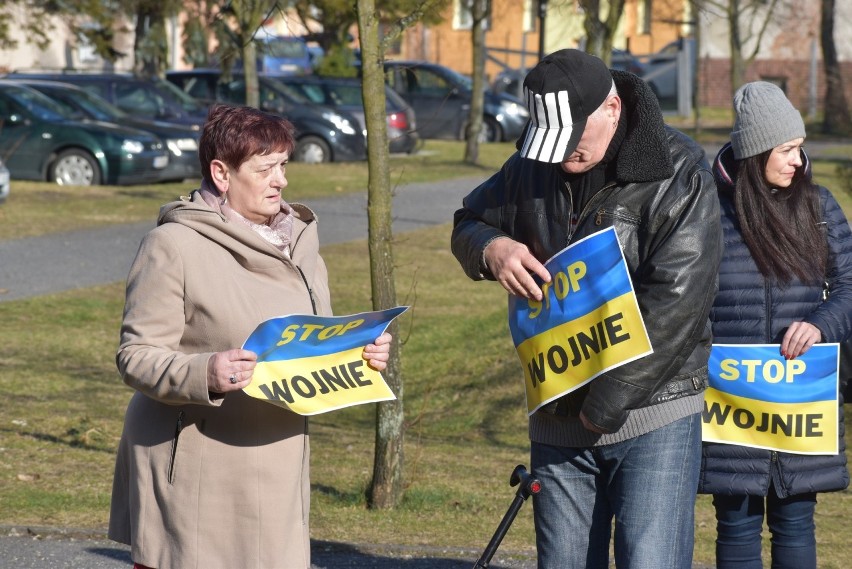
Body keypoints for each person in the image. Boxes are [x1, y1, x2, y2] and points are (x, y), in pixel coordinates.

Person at [451, 49, 722, 568]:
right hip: (557, 417)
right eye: (550, 140)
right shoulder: (529, 167)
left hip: (654, 411)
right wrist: (491, 248)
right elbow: (469, 220)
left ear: (613, 108)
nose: (560, 155)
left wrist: (604, 406)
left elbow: (678, 303)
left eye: (573, 137)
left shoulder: (678, 170)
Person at [107, 103, 392, 569]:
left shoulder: (299, 245)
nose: (280, 180)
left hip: (278, 458)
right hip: (197, 463)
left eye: (283, 165)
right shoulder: (172, 246)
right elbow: (135, 356)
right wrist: (207, 372)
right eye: (265, 169)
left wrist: (359, 352)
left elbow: (309, 342)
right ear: (221, 173)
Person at [699, 81, 852, 569]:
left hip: (801, 397)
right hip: (731, 400)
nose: (797, 160)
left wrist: (822, 326)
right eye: (786, 149)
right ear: (756, 151)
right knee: (737, 523)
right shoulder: (709, 211)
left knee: (796, 520)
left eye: (800, 148)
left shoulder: (819, 207)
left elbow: (850, 285)